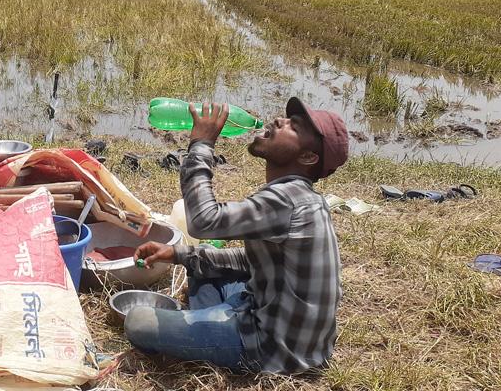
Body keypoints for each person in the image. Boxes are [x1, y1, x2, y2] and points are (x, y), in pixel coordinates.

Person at [124, 98, 349, 374]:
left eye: (295, 126)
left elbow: (203, 221)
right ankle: (205, 324)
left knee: (138, 321)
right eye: (287, 118)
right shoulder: (301, 196)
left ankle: (206, 330)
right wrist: (177, 254)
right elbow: (253, 259)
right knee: (201, 259)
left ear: (307, 157)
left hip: (270, 349)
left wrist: (202, 144)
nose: (280, 121)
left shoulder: (288, 200)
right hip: (271, 317)